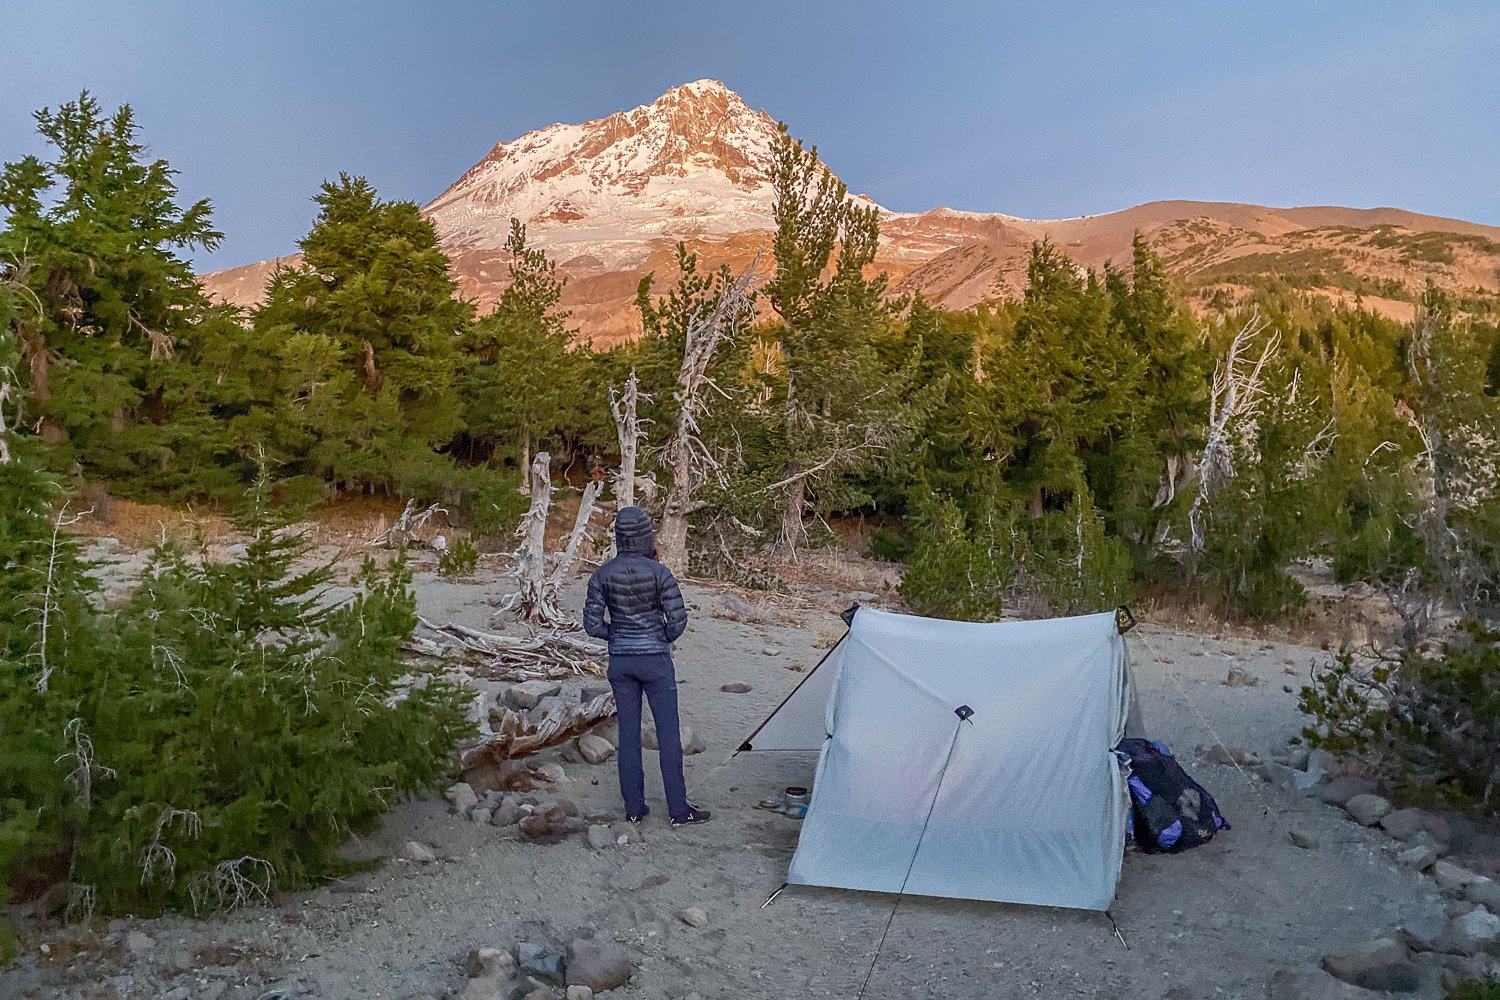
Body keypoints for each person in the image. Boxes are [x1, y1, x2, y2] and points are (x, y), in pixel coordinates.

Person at [583, 506, 711, 827]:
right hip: (655, 659)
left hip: (621, 661)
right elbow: (678, 619)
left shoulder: (603, 575)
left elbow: (591, 623)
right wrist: (660, 637)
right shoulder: (660, 573)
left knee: (628, 734)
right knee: (668, 733)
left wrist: (617, 635)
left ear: (618, 537)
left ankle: (634, 808)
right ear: (645, 536)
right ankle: (678, 810)